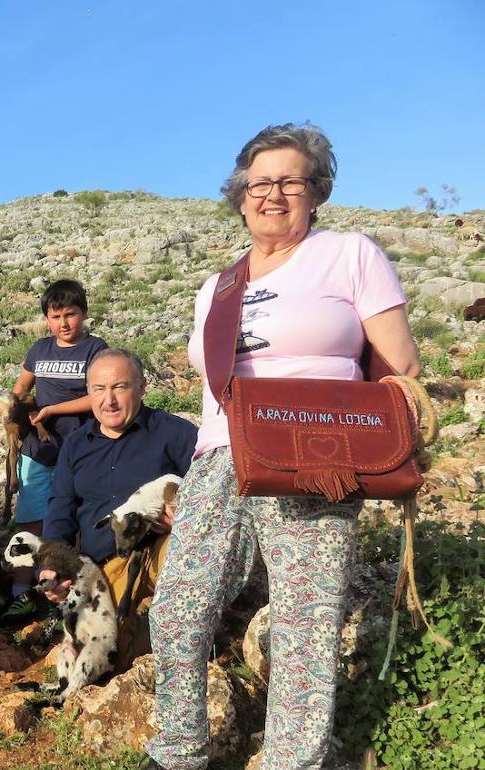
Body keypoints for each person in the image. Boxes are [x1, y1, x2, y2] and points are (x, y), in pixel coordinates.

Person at [143, 124, 420, 770]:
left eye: (291, 181)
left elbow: (402, 368)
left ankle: (294, 761)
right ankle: (179, 750)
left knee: (304, 625)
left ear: (316, 192)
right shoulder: (216, 287)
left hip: (315, 459)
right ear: (240, 196)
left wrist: (374, 450)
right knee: (178, 607)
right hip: (221, 457)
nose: (273, 194)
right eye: (260, 183)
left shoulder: (349, 255)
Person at [40, 348, 197, 670]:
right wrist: (53, 567)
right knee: (103, 660)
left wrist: (185, 518)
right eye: (99, 389)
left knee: (184, 558)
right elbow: (60, 510)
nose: (108, 400)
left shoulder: (176, 434)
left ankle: (185, 649)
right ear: (89, 392)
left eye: (120, 387)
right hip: (106, 566)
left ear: (142, 387)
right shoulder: (75, 445)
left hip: (162, 552)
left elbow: (216, 495)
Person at [2, 279, 108, 624]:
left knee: (73, 519)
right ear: (46, 318)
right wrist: (16, 407)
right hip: (38, 449)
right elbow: (22, 386)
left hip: (80, 447)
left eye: (70, 314)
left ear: (84, 313)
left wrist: (51, 410)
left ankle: (68, 591)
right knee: (31, 519)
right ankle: (22, 592)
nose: (63, 323)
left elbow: (97, 396)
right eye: (55, 316)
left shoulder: (95, 349)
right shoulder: (39, 349)